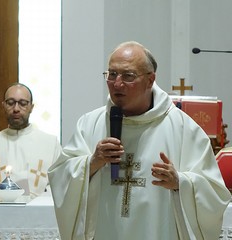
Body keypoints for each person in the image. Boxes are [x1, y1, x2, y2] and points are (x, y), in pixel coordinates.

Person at [48, 41, 231, 240]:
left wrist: (181, 182)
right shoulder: (90, 124)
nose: (117, 83)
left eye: (128, 76)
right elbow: (60, 176)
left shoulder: (183, 129)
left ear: (150, 80)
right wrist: (91, 163)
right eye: (111, 74)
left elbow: (214, 193)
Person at [0, 83, 62, 198]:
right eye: (10, 103)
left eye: (23, 103)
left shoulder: (50, 143)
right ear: (3, 105)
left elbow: (60, 184)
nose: (16, 109)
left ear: (31, 107)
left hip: (38, 213)